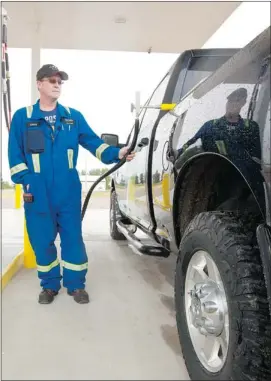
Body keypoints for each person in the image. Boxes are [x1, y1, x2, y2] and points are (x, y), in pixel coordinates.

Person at [8, 64, 135, 305]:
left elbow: (93, 143)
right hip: (37, 192)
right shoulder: (23, 117)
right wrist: (27, 181)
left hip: (67, 191)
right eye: (52, 80)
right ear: (39, 84)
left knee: (72, 238)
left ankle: (76, 285)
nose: (57, 85)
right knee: (41, 240)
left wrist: (117, 153)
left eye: (60, 82)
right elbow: (15, 156)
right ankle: (49, 286)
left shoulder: (72, 116)